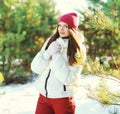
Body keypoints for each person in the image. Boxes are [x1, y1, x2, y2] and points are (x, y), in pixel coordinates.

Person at [31, 12, 86, 114]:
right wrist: (48, 53)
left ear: (72, 29)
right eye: (59, 25)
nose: (61, 29)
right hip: (43, 97)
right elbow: (35, 68)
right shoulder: (50, 41)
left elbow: (69, 80)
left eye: (66, 26)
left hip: (63, 99)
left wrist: (55, 57)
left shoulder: (78, 49)